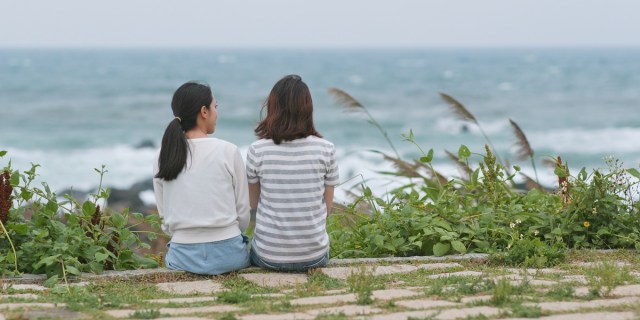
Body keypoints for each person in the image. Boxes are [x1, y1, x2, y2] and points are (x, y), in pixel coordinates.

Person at [153, 81, 251, 275]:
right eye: (215, 107)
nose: (216, 112)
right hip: (229, 254)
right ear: (204, 111)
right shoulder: (228, 151)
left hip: (183, 256)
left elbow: (164, 217)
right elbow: (243, 213)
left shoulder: (163, 154)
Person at [246, 74, 339, 272]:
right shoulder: (326, 149)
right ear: (308, 109)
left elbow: (253, 205)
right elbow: (327, 211)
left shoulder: (257, 150)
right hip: (315, 257)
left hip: (268, 257)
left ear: (272, 108)